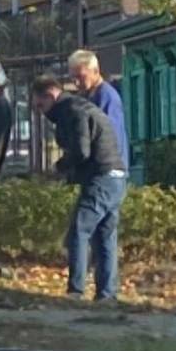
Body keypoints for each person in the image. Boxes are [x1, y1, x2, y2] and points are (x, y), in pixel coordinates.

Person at [31, 75, 128, 302]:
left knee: (78, 232)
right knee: (105, 236)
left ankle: (75, 290)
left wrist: (60, 168)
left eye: (40, 105)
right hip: (115, 176)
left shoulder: (72, 111)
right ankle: (107, 294)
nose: (40, 111)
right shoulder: (80, 107)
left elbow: (81, 151)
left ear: (51, 95)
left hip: (101, 177)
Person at [68, 49, 130, 171]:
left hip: (109, 168)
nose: (76, 82)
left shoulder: (106, 96)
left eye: (81, 77)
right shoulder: (88, 96)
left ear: (95, 71)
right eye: (73, 78)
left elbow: (112, 134)